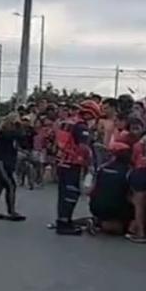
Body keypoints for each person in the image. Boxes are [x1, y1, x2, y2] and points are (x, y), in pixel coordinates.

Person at [54, 101, 99, 235]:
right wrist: (90, 163)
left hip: (62, 161)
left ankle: (63, 220)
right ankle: (64, 224)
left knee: (63, 194)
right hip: (72, 162)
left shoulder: (67, 122)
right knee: (71, 194)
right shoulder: (81, 126)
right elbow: (83, 147)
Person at [0, 113, 26, 221]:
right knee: (10, 185)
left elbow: (23, 141)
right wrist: (19, 125)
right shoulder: (4, 132)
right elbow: (20, 135)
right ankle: (11, 212)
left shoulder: (5, 132)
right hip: (0, 163)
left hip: (1, 162)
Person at [88, 142, 133, 236]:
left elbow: (90, 190)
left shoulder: (101, 168)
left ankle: (98, 222)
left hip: (96, 206)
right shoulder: (129, 171)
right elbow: (130, 196)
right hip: (117, 209)